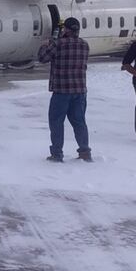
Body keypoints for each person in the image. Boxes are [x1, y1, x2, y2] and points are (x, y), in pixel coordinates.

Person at [37, 17, 92, 162]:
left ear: (66, 29)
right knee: (79, 122)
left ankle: (57, 153)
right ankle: (85, 151)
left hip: (61, 91)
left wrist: (44, 45)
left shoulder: (58, 44)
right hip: (80, 91)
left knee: (56, 122)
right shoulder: (85, 45)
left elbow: (42, 58)